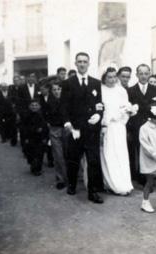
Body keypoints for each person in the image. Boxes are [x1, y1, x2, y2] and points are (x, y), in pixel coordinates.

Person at [60, 52, 104, 204]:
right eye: (79, 62)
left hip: (91, 130)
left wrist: (99, 115)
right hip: (76, 129)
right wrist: (68, 124)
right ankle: (71, 184)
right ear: (75, 64)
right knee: (73, 159)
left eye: (85, 61)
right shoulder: (68, 83)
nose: (82, 64)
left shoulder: (96, 83)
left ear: (89, 63)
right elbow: (64, 106)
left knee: (93, 160)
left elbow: (100, 104)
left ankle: (93, 192)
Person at [100, 67, 135, 195]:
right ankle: (111, 183)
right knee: (108, 154)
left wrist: (125, 114)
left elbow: (126, 107)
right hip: (107, 127)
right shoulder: (101, 90)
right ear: (104, 78)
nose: (113, 79)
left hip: (119, 126)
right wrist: (103, 124)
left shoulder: (121, 91)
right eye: (109, 77)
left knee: (121, 154)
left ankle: (123, 184)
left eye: (115, 76)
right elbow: (100, 109)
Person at [127, 64, 156, 186]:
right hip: (136, 126)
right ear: (136, 75)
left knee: (150, 150)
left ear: (149, 74)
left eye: (146, 73)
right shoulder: (130, 90)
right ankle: (139, 176)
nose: (143, 76)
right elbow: (128, 110)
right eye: (140, 73)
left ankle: (150, 176)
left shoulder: (155, 89)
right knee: (137, 151)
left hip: (150, 126)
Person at [46, 81, 68, 189]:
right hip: (55, 129)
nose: (56, 91)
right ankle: (60, 179)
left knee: (68, 153)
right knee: (58, 155)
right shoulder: (49, 102)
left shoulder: (67, 101)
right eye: (54, 89)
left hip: (67, 129)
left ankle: (72, 177)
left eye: (58, 89)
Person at [17, 73, 42, 153]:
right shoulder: (22, 88)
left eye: (33, 78)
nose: (32, 79)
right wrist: (20, 113)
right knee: (25, 131)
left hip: (36, 112)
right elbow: (19, 101)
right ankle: (25, 149)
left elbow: (40, 99)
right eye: (30, 77)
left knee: (35, 130)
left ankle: (35, 148)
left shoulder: (38, 87)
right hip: (25, 113)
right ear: (27, 79)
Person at [23, 100, 49, 176]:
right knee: (32, 153)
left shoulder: (42, 115)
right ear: (29, 107)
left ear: (39, 106)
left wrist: (44, 136)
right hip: (31, 137)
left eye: (36, 105)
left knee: (39, 154)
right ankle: (33, 166)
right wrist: (27, 137)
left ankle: (38, 168)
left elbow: (45, 127)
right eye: (32, 105)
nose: (34, 107)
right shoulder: (27, 116)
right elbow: (25, 128)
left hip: (40, 138)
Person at [39, 80, 54, 168]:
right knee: (44, 141)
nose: (42, 91)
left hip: (52, 123)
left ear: (48, 89)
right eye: (41, 89)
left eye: (44, 89)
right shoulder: (39, 97)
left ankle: (51, 160)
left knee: (51, 142)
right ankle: (48, 159)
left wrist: (50, 122)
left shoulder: (53, 97)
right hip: (43, 123)